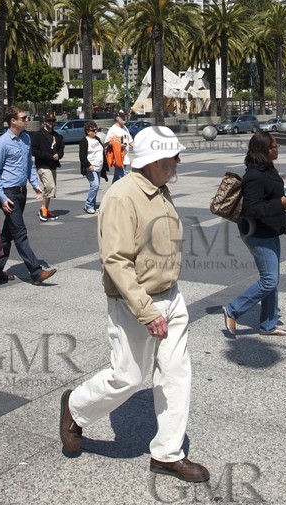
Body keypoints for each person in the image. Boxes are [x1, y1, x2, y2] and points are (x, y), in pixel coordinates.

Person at [60, 125, 208, 483]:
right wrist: (146, 310)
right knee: (128, 376)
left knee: (175, 374)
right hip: (134, 302)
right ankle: (76, 407)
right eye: (173, 156)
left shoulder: (160, 191)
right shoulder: (122, 197)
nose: (178, 162)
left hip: (171, 296)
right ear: (155, 160)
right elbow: (116, 260)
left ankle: (167, 454)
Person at [221, 130, 286, 338]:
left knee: (272, 278)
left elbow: (272, 199)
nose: (277, 149)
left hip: (269, 230)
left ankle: (268, 325)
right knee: (269, 280)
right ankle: (233, 310)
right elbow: (252, 209)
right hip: (256, 234)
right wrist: (281, 203)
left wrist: (284, 222)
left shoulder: (268, 168)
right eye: (274, 146)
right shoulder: (254, 176)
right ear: (265, 150)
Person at [0, 106, 56, 286]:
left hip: (21, 192)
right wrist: (2, 197)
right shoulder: (2, 143)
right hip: (8, 193)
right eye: (23, 118)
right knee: (20, 232)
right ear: (13, 121)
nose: (27, 120)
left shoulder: (26, 138)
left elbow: (29, 165)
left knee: (7, 234)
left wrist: (35, 185)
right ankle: (36, 271)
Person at [33, 114, 65, 220]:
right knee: (50, 186)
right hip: (42, 165)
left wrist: (58, 155)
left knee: (52, 188)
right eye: (48, 121)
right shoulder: (39, 135)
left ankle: (46, 209)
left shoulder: (57, 135)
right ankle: (42, 208)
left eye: (52, 121)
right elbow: (34, 151)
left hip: (53, 164)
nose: (51, 123)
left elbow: (61, 148)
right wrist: (49, 156)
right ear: (44, 122)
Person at [78, 120, 104, 215]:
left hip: (99, 167)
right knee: (95, 185)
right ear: (87, 131)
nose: (95, 131)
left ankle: (92, 204)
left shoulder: (97, 139)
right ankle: (89, 205)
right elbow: (82, 156)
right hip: (90, 168)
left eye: (96, 129)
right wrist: (89, 165)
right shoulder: (84, 141)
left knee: (95, 187)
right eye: (93, 130)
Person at [104, 112, 131, 183]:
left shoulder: (125, 128)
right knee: (123, 179)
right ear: (117, 118)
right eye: (122, 117)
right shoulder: (113, 129)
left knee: (117, 178)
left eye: (125, 116)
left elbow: (130, 141)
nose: (124, 118)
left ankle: (112, 188)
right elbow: (107, 142)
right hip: (118, 157)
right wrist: (119, 145)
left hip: (125, 157)